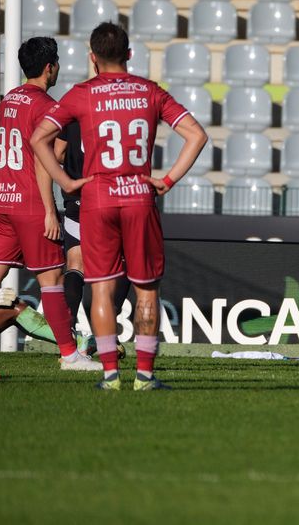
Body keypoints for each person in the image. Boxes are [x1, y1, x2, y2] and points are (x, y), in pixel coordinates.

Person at [30, 22, 208, 391]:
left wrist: (65, 182)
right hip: (139, 197)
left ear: (93, 58)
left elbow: (39, 138)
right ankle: (144, 376)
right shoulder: (149, 92)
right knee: (145, 290)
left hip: (97, 200)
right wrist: (168, 180)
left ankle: (110, 375)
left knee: (101, 287)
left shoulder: (82, 94)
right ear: (129, 54)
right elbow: (196, 134)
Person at [0, 37, 101, 373]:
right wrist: (51, 209)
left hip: (2, 199)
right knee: (52, 281)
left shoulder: (9, 100)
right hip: (31, 205)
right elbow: (41, 157)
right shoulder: (45, 105)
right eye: (58, 63)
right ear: (49, 67)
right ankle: (69, 354)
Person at [53, 121, 131, 338]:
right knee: (120, 262)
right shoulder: (119, 110)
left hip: (77, 197)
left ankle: (67, 340)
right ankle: (105, 332)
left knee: (75, 263)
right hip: (111, 195)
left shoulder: (73, 111)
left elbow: (58, 153)